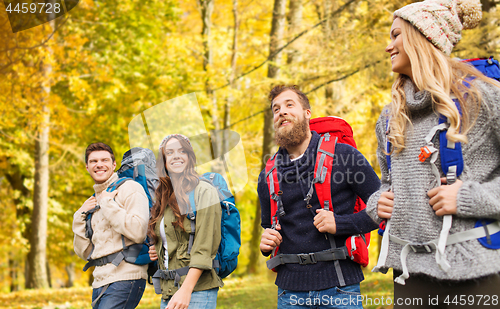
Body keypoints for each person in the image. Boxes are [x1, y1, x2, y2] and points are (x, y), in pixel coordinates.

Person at [366, 0, 500, 307]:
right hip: (409, 277)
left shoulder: (484, 97)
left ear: (424, 37)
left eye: (396, 35)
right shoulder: (390, 118)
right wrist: (379, 201)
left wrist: (467, 197)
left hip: (477, 276)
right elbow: (387, 182)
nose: (389, 47)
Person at [258, 85, 380, 309]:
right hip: (289, 293)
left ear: (307, 113)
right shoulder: (268, 172)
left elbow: (382, 208)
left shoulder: (345, 156)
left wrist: (341, 223)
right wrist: (266, 242)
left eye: (289, 105)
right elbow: (269, 226)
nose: (281, 112)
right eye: (276, 109)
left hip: (340, 288)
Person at [148, 134, 222, 309]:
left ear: (190, 157)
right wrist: (158, 248)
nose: (176, 156)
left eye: (182, 151)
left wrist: (185, 291)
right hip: (169, 291)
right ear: (164, 161)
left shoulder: (204, 191)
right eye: (170, 152)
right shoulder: (164, 196)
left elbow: (204, 247)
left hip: (195, 291)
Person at [73, 142, 149, 308]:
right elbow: (85, 252)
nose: (99, 164)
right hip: (100, 280)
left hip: (126, 276)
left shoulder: (130, 188)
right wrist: (78, 217)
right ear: (87, 166)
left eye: (104, 160)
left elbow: (138, 232)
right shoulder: (92, 201)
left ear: (113, 165)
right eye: (93, 161)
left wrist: (107, 204)